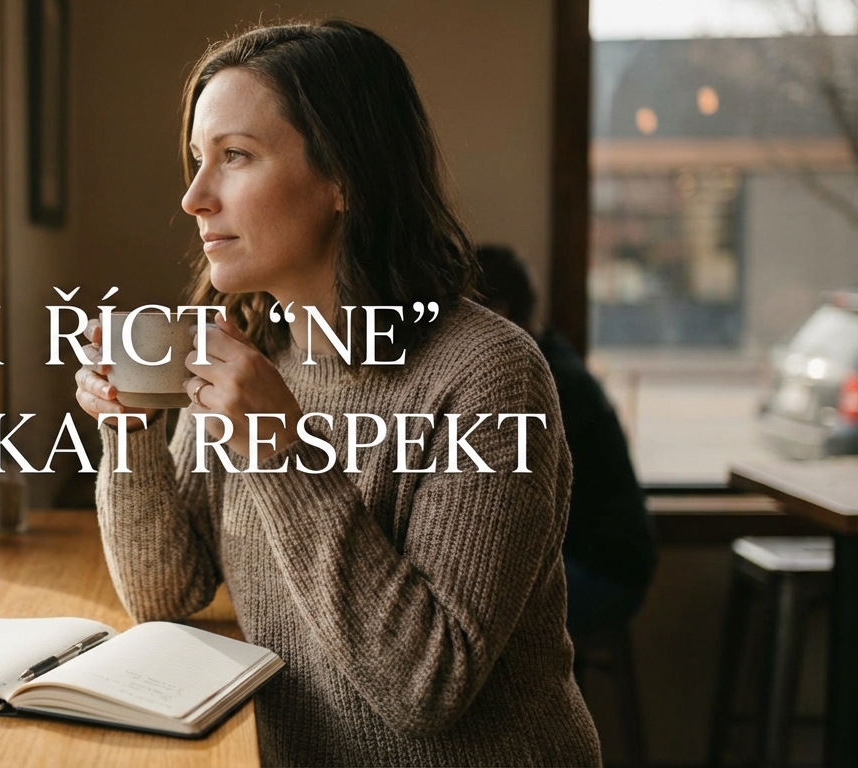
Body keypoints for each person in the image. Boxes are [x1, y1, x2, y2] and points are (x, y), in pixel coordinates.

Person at [74, 20, 602, 766]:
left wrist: (283, 452)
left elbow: (428, 684)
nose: (195, 197)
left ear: (343, 178)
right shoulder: (249, 349)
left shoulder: (489, 374)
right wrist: (128, 431)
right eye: (198, 160)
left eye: (235, 157)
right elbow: (168, 592)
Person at [475, 244, 657, 643]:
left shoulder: (540, 383)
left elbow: (504, 512)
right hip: (601, 560)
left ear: (497, 314)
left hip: (602, 572)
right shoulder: (550, 360)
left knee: (472, 624)